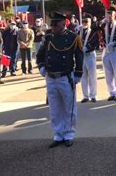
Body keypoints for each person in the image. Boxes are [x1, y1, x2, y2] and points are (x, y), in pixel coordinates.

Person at [36, 12, 83, 148]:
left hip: (65, 77)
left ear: (63, 24)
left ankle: (68, 134)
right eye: (52, 25)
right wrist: (42, 67)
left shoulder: (73, 38)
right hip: (50, 77)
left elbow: (79, 57)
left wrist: (78, 74)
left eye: (55, 25)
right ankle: (58, 134)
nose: (53, 28)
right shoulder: (49, 37)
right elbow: (40, 55)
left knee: (69, 107)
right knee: (55, 108)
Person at [100, 8, 116, 101]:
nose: (109, 16)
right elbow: (95, 29)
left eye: (111, 14)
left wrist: (115, 42)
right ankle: (111, 92)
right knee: (108, 73)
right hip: (106, 50)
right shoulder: (104, 25)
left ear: (115, 15)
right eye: (108, 14)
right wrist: (102, 22)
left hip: (115, 49)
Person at [80, 17, 100, 103]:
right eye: (83, 21)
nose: (84, 23)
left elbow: (95, 43)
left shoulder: (93, 33)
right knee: (83, 76)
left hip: (90, 54)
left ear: (90, 23)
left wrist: (87, 48)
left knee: (92, 76)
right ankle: (85, 96)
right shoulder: (79, 32)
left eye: (86, 22)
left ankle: (93, 95)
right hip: (82, 56)